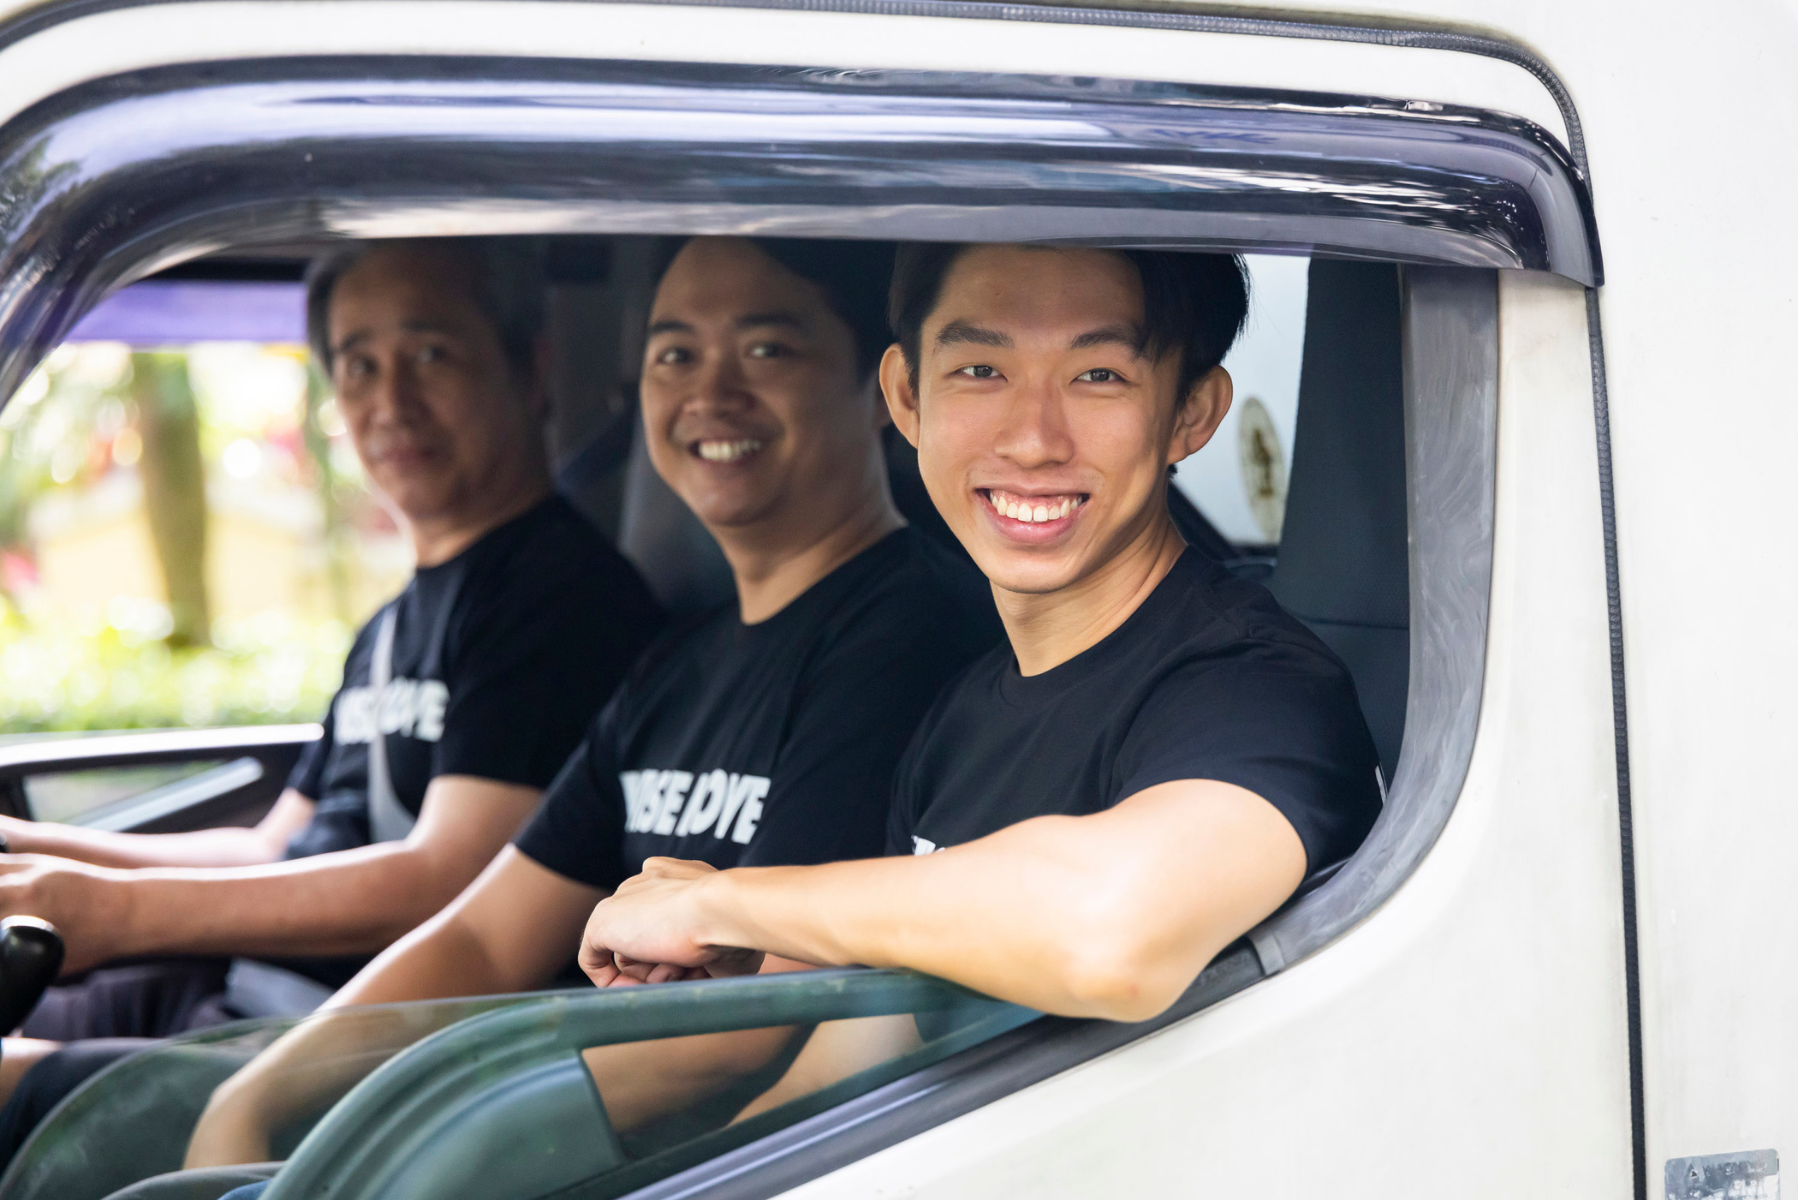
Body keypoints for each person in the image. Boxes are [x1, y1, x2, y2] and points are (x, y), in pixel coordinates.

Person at [175, 236, 1000, 1173]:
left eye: (768, 350)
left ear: (884, 389)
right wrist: (267, 1088)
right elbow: (486, 937)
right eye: (674, 355)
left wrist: (442, 1128)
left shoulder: (914, 634)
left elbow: (757, 1019)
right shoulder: (674, 661)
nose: (709, 393)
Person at [575, 242, 1383, 1107]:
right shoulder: (959, 719)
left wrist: (727, 905)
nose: (1033, 439)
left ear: (1192, 411)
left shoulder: (1256, 691)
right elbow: (841, 1078)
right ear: (906, 398)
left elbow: (1111, 933)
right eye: (979, 369)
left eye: (1099, 376)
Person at [0, 239, 664, 1143]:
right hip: (249, 993)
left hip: (361, 1050)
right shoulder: (390, 625)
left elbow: (448, 876)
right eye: (358, 365)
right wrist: (38, 856)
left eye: (430, 354)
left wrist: (114, 912)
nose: (390, 401)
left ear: (528, 365)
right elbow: (273, 849)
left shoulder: (561, 597)